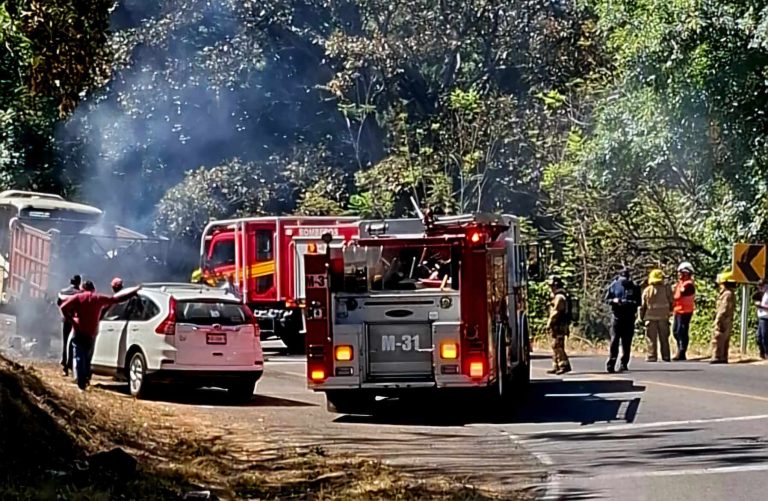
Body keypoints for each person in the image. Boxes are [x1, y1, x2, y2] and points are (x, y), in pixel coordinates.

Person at [59, 280, 140, 390]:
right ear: (93, 289)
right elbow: (116, 299)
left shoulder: (78, 297)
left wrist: (72, 321)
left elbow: (63, 307)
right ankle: (85, 379)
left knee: (79, 356)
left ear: (82, 288)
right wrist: (133, 292)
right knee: (87, 356)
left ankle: (81, 382)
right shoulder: (98, 298)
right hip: (91, 332)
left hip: (78, 330)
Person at [604, 267, 641, 373]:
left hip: (629, 317)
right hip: (617, 317)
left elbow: (638, 302)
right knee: (614, 340)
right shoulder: (613, 285)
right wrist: (614, 301)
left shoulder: (634, 287)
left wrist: (628, 302)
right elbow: (606, 300)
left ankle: (624, 363)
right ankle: (611, 362)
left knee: (626, 342)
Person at [640, 269, 673, 362]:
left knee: (651, 338)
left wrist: (641, 317)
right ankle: (666, 356)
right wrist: (670, 312)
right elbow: (671, 302)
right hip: (664, 317)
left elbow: (643, 306)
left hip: (650, 318)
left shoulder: (647, 290)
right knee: (664, 338)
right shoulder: (667, 289)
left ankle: (651, 356)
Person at [546, 276, 572, 375]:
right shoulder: (556, 296)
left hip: (560, 325)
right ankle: (556, 365)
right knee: (554, 345)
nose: (550, 288)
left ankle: (564, 365)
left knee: (558, 345)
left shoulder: (560, 297)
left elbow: (556, 311)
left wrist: (549, 322)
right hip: (556, 325)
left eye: (552, 285)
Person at [56, 274, 82, 376]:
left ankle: (65, 367)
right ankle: (72, 365)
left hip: (66, 320)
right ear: (79, 283)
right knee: (75, 344)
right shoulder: (80, 293)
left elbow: (59, 303)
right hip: (76, 321)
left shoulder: (62, 292)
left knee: (66, 342)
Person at [710, 271, 736, 364]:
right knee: (724, 338)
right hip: (726, 319)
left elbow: (723, 309)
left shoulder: (727, 294)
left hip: (723, 319)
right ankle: (723, 356)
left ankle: (717, 356)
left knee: (718, 337)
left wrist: (718, 319)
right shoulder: (728, 293)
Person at [672, 262, 696, 361]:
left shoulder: (689, 285)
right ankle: (679, 349)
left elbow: (677, 296)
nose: (679, 274)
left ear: (686, 273)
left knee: (681, 332)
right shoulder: (680, 283)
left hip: (685, 312)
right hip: (678, 311)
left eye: (680, 272)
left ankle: (682, 352)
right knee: (675, 331)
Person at [754, 279, 768, 360]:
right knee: (759, 337)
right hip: (761, 316)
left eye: (761, 286)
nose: (760, 289)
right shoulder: (764, 294)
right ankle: (762, 353)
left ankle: (766, 353)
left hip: (766, 317)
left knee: (764, 337)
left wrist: (761, 307)